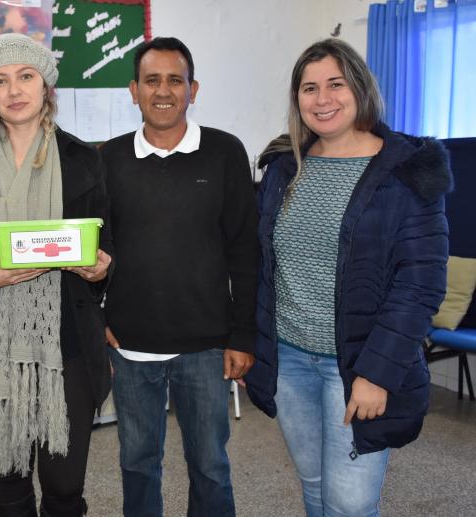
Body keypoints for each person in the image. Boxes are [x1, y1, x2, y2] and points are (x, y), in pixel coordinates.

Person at [244, 38, 451, 516]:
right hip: (290, 360)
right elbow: (261, 262)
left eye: (335, 84)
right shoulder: (284, 168)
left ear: (360, 88)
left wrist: (376, 375)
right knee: (315, 487)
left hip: (358, 364)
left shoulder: (407, 173)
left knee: (350, 505)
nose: (323, 99)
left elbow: (420, 285)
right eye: (309, 88)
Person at [0, 33, 113, 517]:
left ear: (45, 83)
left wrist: (100, 267)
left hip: (68, 343)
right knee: (10, 480)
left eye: (25, 76)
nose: (14, 90)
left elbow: (107, 247)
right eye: (0, 80)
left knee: (64, 484)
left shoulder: (84, 159)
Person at [100, 37, 259, 517]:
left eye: (175, 80)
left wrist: (242, 335)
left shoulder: (225, 152)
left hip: (206, 347)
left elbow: (245, 250)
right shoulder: (107, 159)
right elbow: (94, 249)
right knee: (137, 464)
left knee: (210, 466)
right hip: (130, 347)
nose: (163, 90)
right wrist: (95, 322)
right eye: (152, 80)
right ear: (134, 91)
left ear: (194, 89)